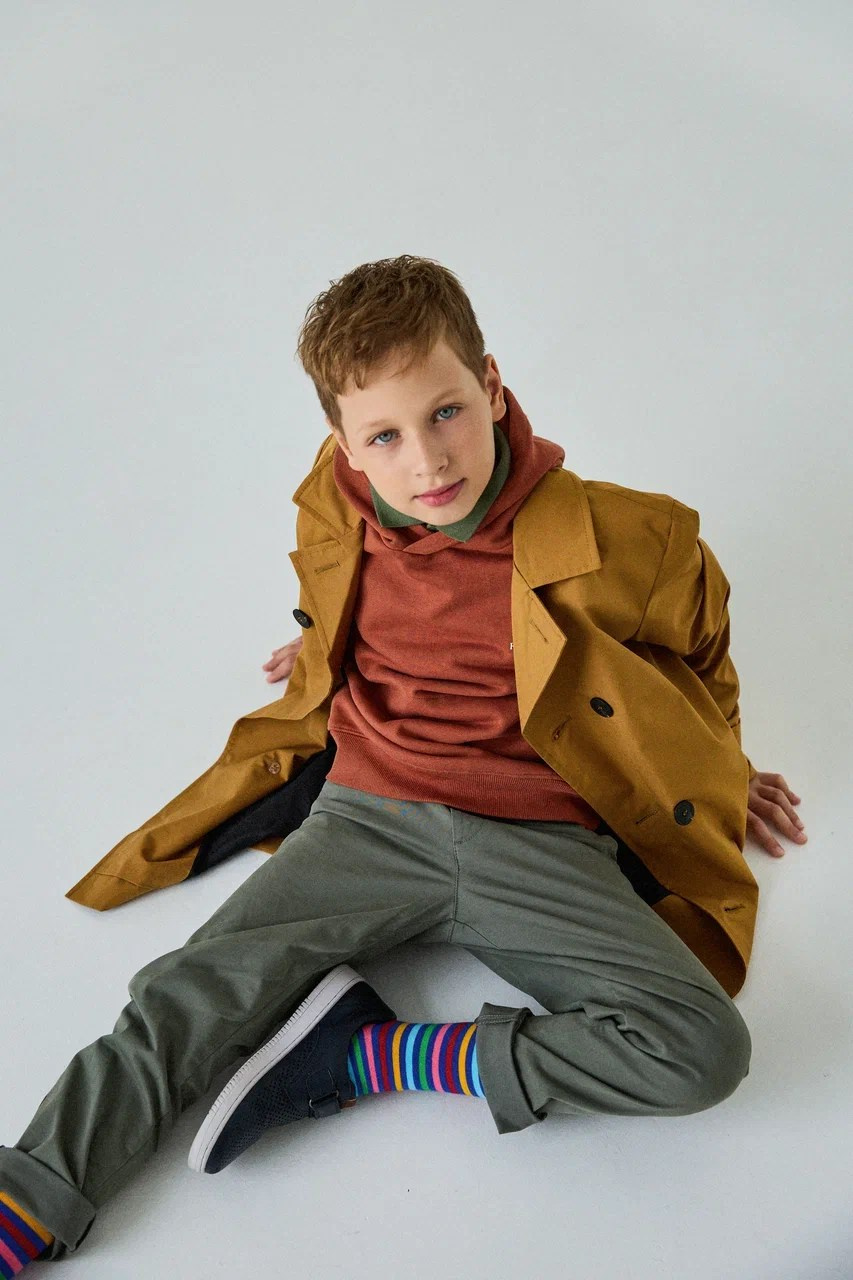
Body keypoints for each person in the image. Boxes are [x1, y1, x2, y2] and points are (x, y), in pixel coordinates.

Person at [0, 254, 808, 1271]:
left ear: (492, 386)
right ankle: (29, 1195)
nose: (426, 460)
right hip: (367, 815)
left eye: (446, 413)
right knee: (186, 994)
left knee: (702, 1049)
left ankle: (375, 1052)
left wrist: (717, 762)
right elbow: (340, 585)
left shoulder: (632, 537)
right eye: (383, 435)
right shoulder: (333, 507)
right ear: (344, 444)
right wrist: (326, 640)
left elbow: (702, 649)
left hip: (540, 836)